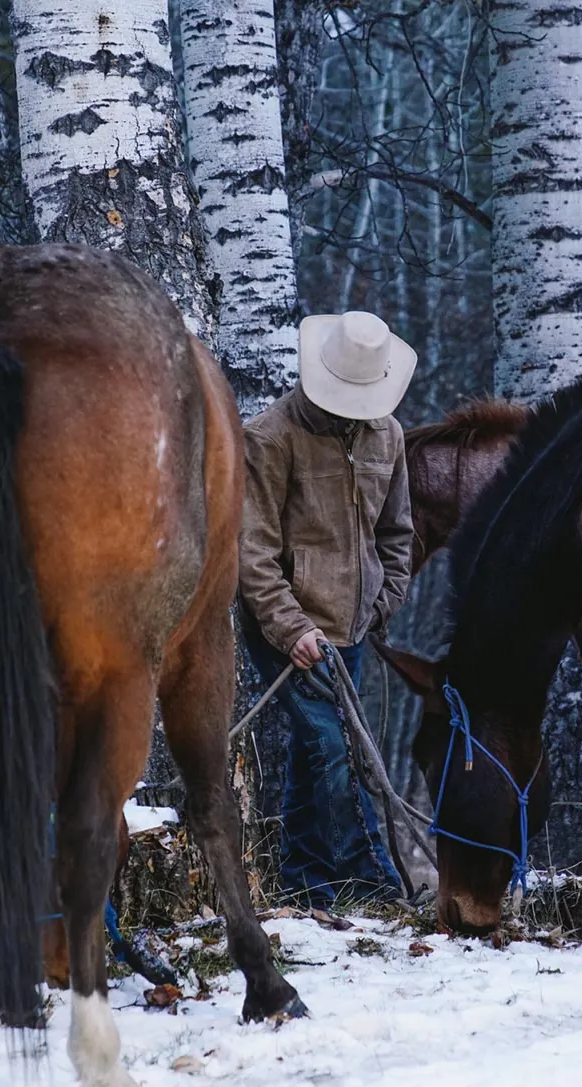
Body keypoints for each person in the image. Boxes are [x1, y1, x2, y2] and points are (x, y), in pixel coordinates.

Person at [239, 309, 416, 912]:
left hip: (352, 627)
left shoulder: (387, 436)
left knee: (316, 751)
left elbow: (397, 533)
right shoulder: (269, 437)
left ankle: (304, 877)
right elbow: (253, 553)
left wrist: (384, 599)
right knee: (336, 747)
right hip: (283, 628)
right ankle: (369, 881)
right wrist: (292, 629)